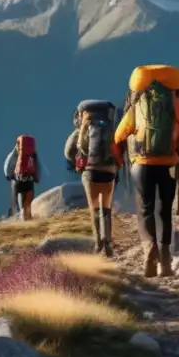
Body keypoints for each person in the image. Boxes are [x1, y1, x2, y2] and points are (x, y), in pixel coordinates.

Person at [115, 65, 179, 278]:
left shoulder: (137, 102)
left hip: (141, 164)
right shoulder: (174, 101)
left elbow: (120, 134)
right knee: (165, 212)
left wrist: (123, 151)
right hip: (168, 163)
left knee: (146, 209)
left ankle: (150, 253)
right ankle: (166, 264)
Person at [64, 99, 123, 257]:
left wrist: (79, 163)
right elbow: (121, 148)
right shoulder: (111, 127)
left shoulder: (80, 130)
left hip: (90, 171)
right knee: (107, 208)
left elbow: (68, 152)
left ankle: (98, 243)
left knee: (94, 208)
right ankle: (108, 242)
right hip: (109, 171)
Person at [3, 134, 40, 221]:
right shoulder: (33, 154)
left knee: (18, 204)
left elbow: (7, 166)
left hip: (17, 181)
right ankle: (28, 219)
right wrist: (36, 177)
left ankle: (19, 219)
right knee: (28, 204)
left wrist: (8, 176)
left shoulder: (14, 153)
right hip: (29, 181)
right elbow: (38, 166)